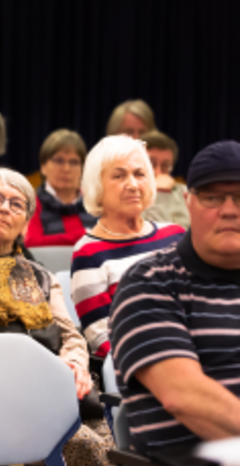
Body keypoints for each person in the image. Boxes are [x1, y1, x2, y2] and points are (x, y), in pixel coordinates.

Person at [0, 169, 112, 466]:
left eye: (16, 204)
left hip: (55, 396)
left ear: (26, 224)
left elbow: (71, 337)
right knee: (87, 447)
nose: (5, 208)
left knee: (119, 450)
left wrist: (74, 366)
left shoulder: (42, 277)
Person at [110, 140, 240, 466]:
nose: (229, 210)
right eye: (213, 197)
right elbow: (185, 396)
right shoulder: (150, 282)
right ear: (188, 202)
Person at [71, 135, 185, 358]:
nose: (133, 184)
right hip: (140, 366)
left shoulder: (176, 236)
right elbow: (102, 340)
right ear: (97, 188)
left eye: (139, 174)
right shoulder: (88, 253)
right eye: (119, 176)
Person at [25, 129, 96, 248]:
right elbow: (31, 243)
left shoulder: (96, 203)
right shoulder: (33, 205)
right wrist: (79, 236)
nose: (66, 169)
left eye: (74, 162)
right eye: (59, 161)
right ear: (43, 166)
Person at [141, 130, 189, 228]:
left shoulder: (184, 193)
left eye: (165, 165)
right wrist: (158, 193)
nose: (158, 172)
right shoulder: (130, 194)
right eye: (151, 164)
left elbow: (185, 231)